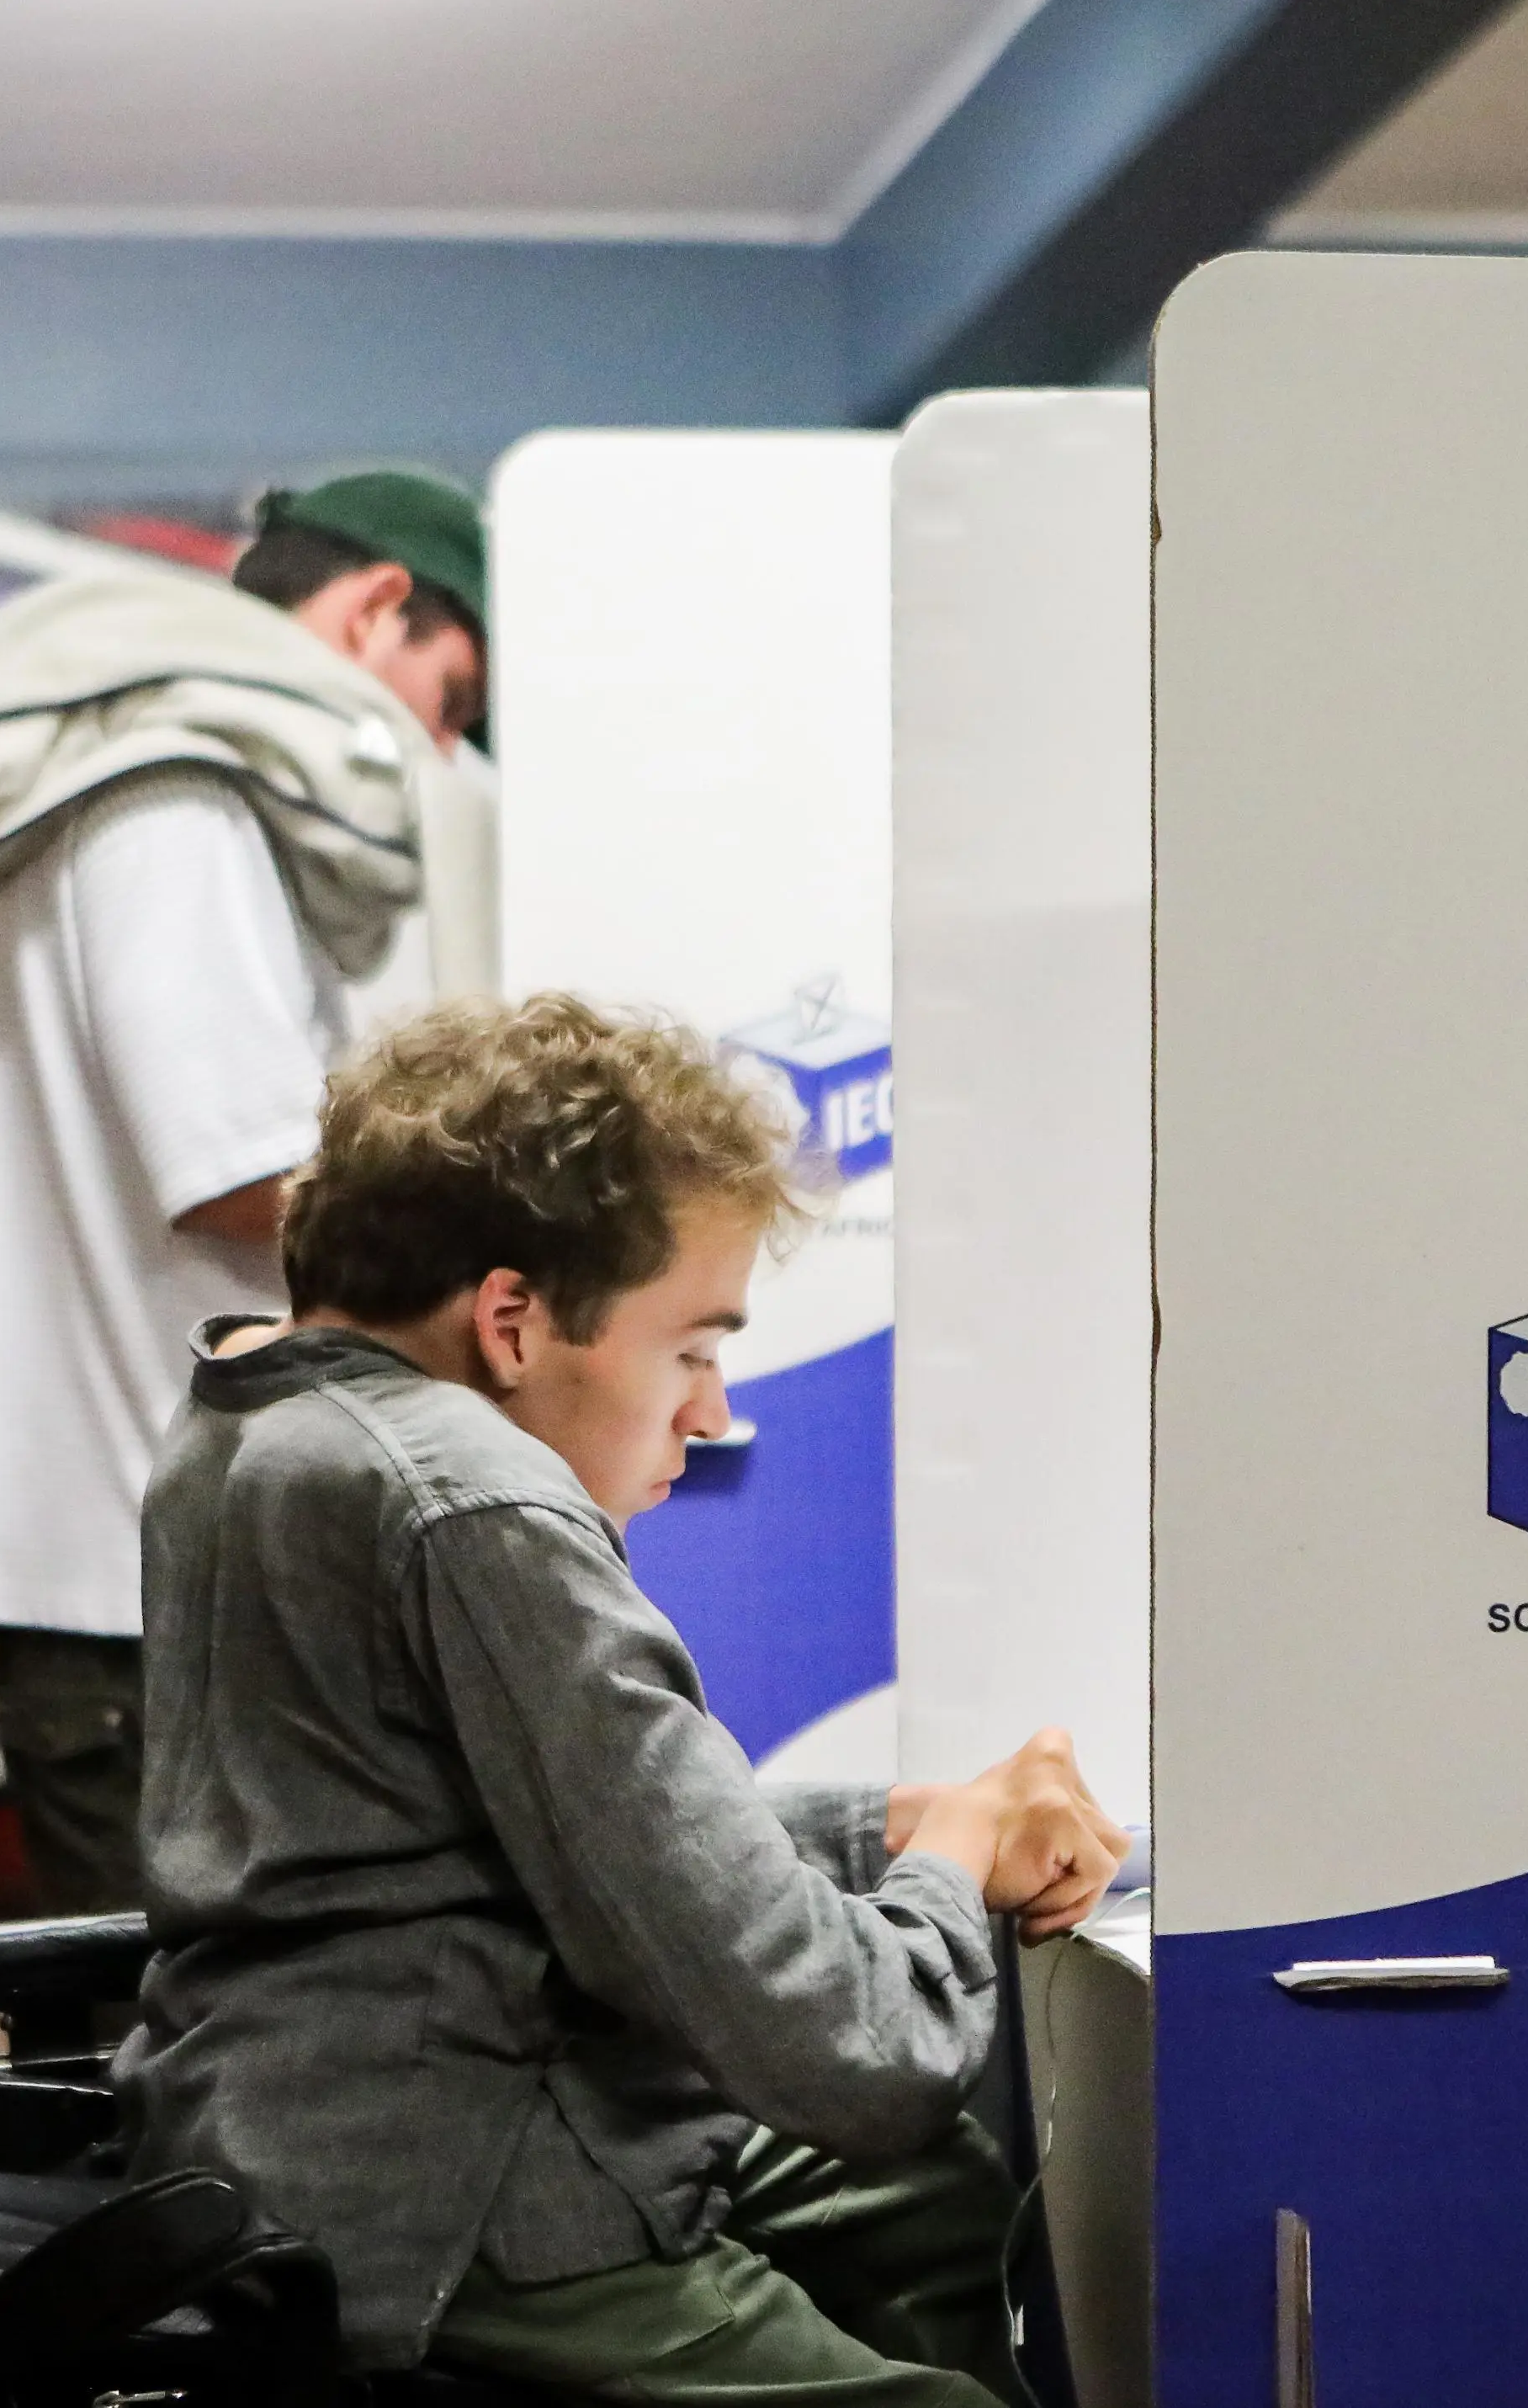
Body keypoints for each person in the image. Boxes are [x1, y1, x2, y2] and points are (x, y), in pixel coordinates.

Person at [116, 996, 1131, 2405]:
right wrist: (952, 1873)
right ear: (514, 1321)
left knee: (917, 2204)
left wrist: (899, 1824)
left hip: (288, 2126)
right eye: (693, 1348)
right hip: (457, 2205)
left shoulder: (261, 1418)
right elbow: (847, 2049)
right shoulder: (469, 1498)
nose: (709, 1412)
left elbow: (533, 1829)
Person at [0, 470, 489, 1911]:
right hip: (153, 1601)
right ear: (374, 605)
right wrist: (515, 1283)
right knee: (185, 2104)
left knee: (179, 2083)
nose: (439, 755)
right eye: (449, 700)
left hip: (143, 1582)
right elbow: (242, 1177)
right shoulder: (177, 794)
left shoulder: (157, 778)